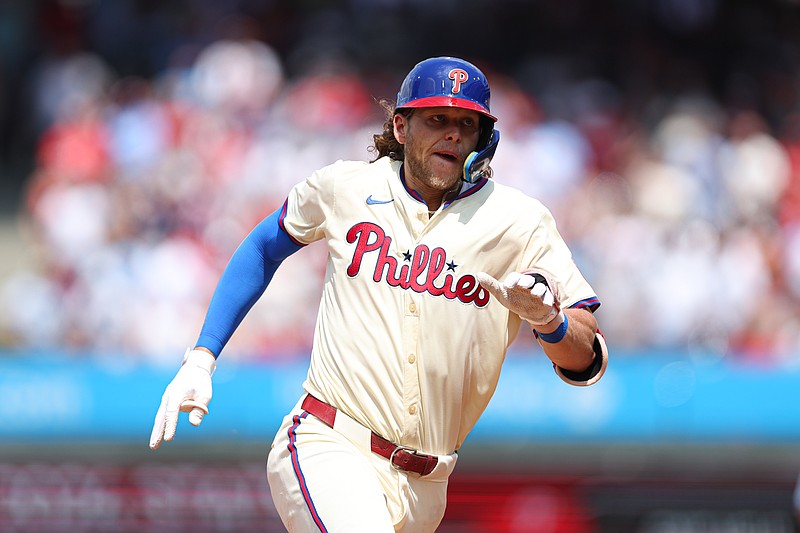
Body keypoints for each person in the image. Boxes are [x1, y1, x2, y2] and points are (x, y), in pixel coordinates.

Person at [149, 56, 608, 533]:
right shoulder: (346, 187)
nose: (452, 133)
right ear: (401, 126)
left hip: (428, 485)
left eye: (466, 124)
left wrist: (549, 323)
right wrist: (202, 356)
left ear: (482, 140)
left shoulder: (520, 221)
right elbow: (266, 245)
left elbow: (586, 355)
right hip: (330, 443)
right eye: (437, 119)